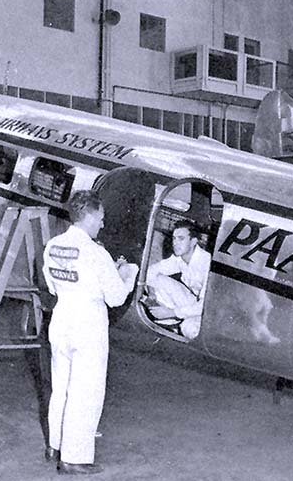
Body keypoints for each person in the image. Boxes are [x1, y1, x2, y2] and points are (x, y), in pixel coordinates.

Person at [42, 190, 138, 475]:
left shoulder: (53, 245)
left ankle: (55, 446)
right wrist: (127, 272)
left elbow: (51, 286)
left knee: (61, 388)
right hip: (88, 324)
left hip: (61, 318)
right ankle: (75, 457)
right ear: (90, 216)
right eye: (101, 218)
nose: (103, 225)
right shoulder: (97, 253)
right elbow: (117, 297)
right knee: (86, 392)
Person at [145, 220, 211, 338]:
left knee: (189, 330)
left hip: (207, 311)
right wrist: (152, 294)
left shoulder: (206, 263)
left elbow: (205, 306)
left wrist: (172, 312)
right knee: (158, 280)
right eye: (174, 238)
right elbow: (150, 272)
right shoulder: (179, 258)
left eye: (181, 239)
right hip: (191, 303)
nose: (175, 243)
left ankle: (174, 321)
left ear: (193, 241)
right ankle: (170, 323)